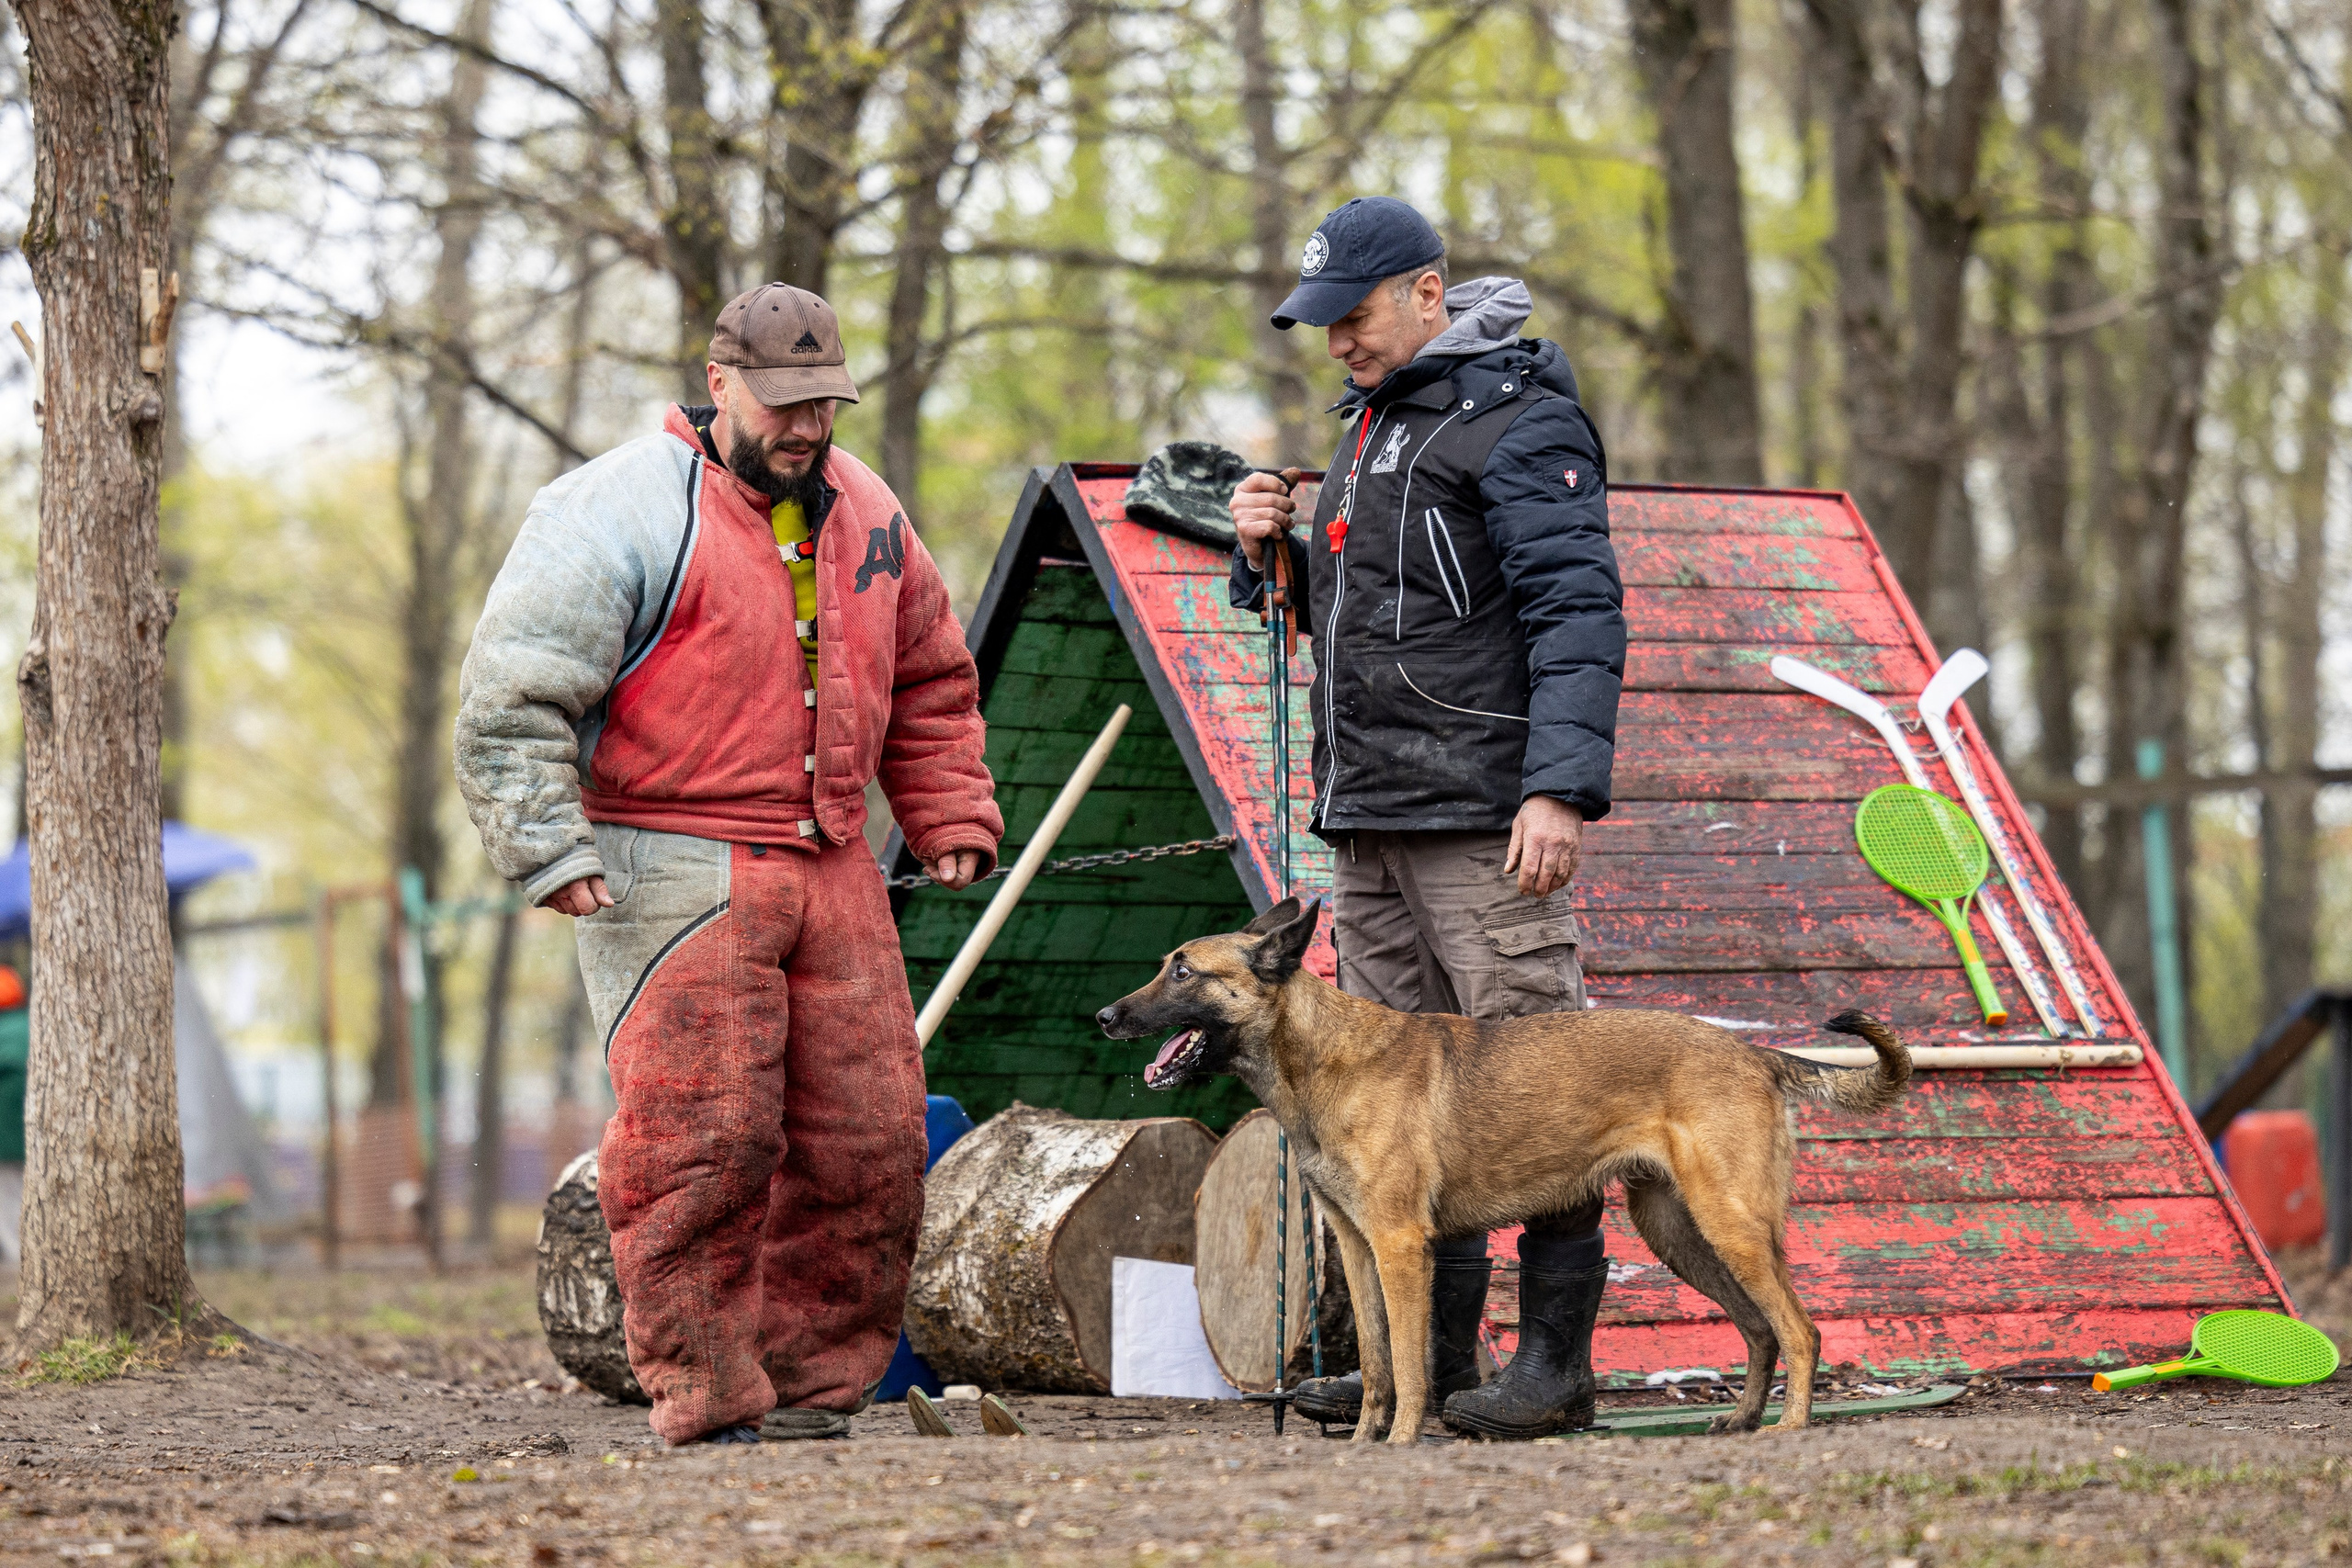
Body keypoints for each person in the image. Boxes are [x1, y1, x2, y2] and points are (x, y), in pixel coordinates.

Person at [455, 283, 1002, 1446]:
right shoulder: (610, 507)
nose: (806, 428)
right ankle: (704, 1392)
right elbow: (512, 698)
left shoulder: (870, 509)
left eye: (825, 404)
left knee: (871, 1135)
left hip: (832, 857)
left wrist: (947, 810)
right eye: (784, 403)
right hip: (667, 859)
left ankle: (817, 1385)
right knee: (704, 1140)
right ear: (720, 386)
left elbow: (935, 678)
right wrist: (546, 845)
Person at [1227, 197, 1625, 1439]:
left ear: (1429, 292)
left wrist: (1559, 787)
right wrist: (1268, 561)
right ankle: (1431, 1365)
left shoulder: (1519, 417)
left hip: (1484, 819)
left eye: (1354, 313)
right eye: (1323, 321)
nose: (1336, 339)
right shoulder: (1369, 429)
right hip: (1371, 823)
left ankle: (1555, 1366)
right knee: (1406, 1116)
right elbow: (1371, 623)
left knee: (1541, 1086)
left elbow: (1577, 611)